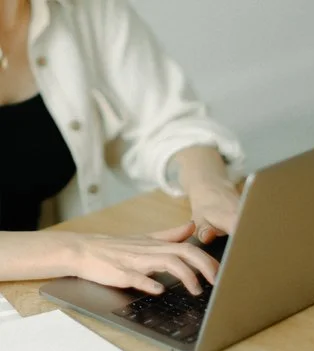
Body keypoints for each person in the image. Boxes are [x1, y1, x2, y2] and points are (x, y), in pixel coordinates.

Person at [0, 0, 245, 295]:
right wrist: (76, 251)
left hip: (34, 286)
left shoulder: (88, 8)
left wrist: (210, 187)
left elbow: (167, 119)